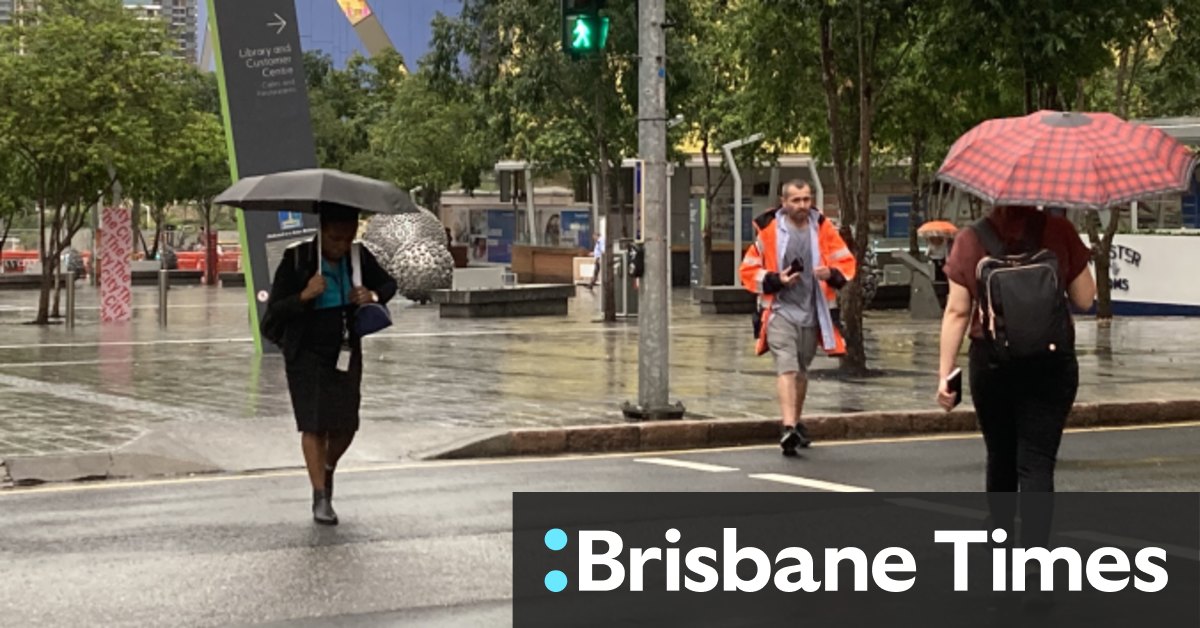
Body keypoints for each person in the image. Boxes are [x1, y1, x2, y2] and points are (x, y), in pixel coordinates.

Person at [936, 205, 1095, 582]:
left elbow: (958, 312)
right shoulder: (1059, 230)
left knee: (1001, 456)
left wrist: (945, 375)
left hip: (992, 364)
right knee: (1037, 464)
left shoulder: (971, 238)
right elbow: (1086, 299)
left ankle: (1002, 551)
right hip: (1051, 364)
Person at [265, 203, 397, 525]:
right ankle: (320, 497)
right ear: (321, 232)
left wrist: (372, 295)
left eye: (348, 236)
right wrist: (304, 296)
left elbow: (389, 284)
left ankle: (327, 467)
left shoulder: (359, 256)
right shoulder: (297, 260)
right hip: (305, 351)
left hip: (345, 348)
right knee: (313, 423)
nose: (341, 244)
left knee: (346, 424)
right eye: (335, 238)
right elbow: (275, 312)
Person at [740, 180, 857, 456]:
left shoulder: (824, 228)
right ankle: (788, 426)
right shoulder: (768, 232)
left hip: (813, 311)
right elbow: (747, 270)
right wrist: (776, 279)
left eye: (806, 199)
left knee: (802, 370)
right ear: (784, 202)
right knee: (787, 366)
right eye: (796, 200)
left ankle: (796, 424)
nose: (802, 205)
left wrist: (832, 273)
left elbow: (846, 263)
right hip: (779, 310)